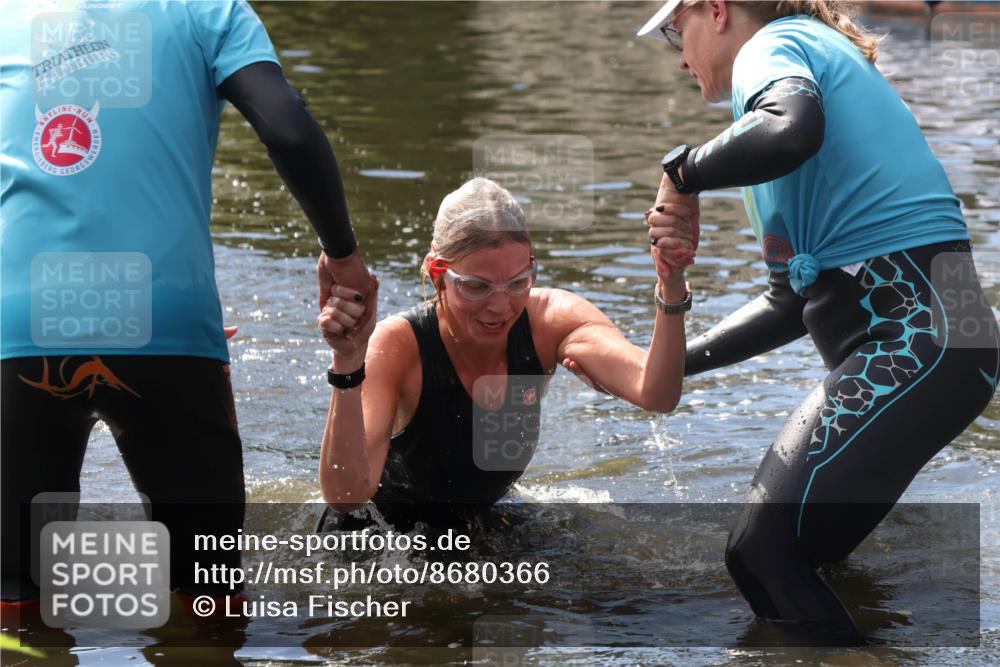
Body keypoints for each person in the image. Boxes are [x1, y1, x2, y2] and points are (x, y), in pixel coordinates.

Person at [634, 0, 999, 643]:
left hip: (920, 340)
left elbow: (793, 127)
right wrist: (668, 360)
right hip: (955, 337)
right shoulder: (794, 77)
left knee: (758, 553)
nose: (679, 56)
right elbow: (788, 303)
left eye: (675, 31)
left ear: (715, 10)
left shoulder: (768, 50)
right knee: (806, 556)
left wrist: (684, 171)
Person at [0, 0, 375, 611]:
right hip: (167, 324)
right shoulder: (210, 10)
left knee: (13, 603)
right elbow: (285, 125)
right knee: (209, 595)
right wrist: (343, 256)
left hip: (19, 324)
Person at [316, 177, 695, 530]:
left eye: (518, 283)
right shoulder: (399, 345)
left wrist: (671, 282)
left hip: (480, 524)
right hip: (377, 542)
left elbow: (656, 393)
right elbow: (347, 496)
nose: (500, 308)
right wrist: (348, 361)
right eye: (476, 287)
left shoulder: (550, 322)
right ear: (438, 275)